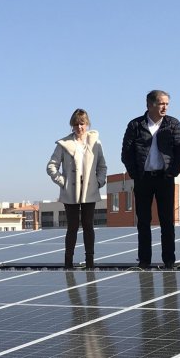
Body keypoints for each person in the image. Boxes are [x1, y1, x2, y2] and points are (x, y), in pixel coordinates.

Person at [121, 90, 180, 269]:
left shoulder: (173, 124)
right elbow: (126, 153)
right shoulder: (136, 125)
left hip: (165, 178)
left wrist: (173, 172)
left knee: (167, 221)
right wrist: (135, 174)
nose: (165, 107)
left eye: (167, 103)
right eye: (161, 103)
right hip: (143, 179)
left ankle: (169, 260)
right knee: (143, 221)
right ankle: (144, 260)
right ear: (150, 105)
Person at [47, 108, 107, 268]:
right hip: (70, 192)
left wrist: (99, 182)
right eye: (76, 124)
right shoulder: (63, 144)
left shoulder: (95, 142)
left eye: (82, 123)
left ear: (87, 124)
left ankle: (90, 261)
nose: (79, 127)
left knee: (88, 225)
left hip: (90, 190)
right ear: (71, 125)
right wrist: (63, 182)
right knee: (72, 227)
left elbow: (102, 166)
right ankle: (68, 261)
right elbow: (52, 166)